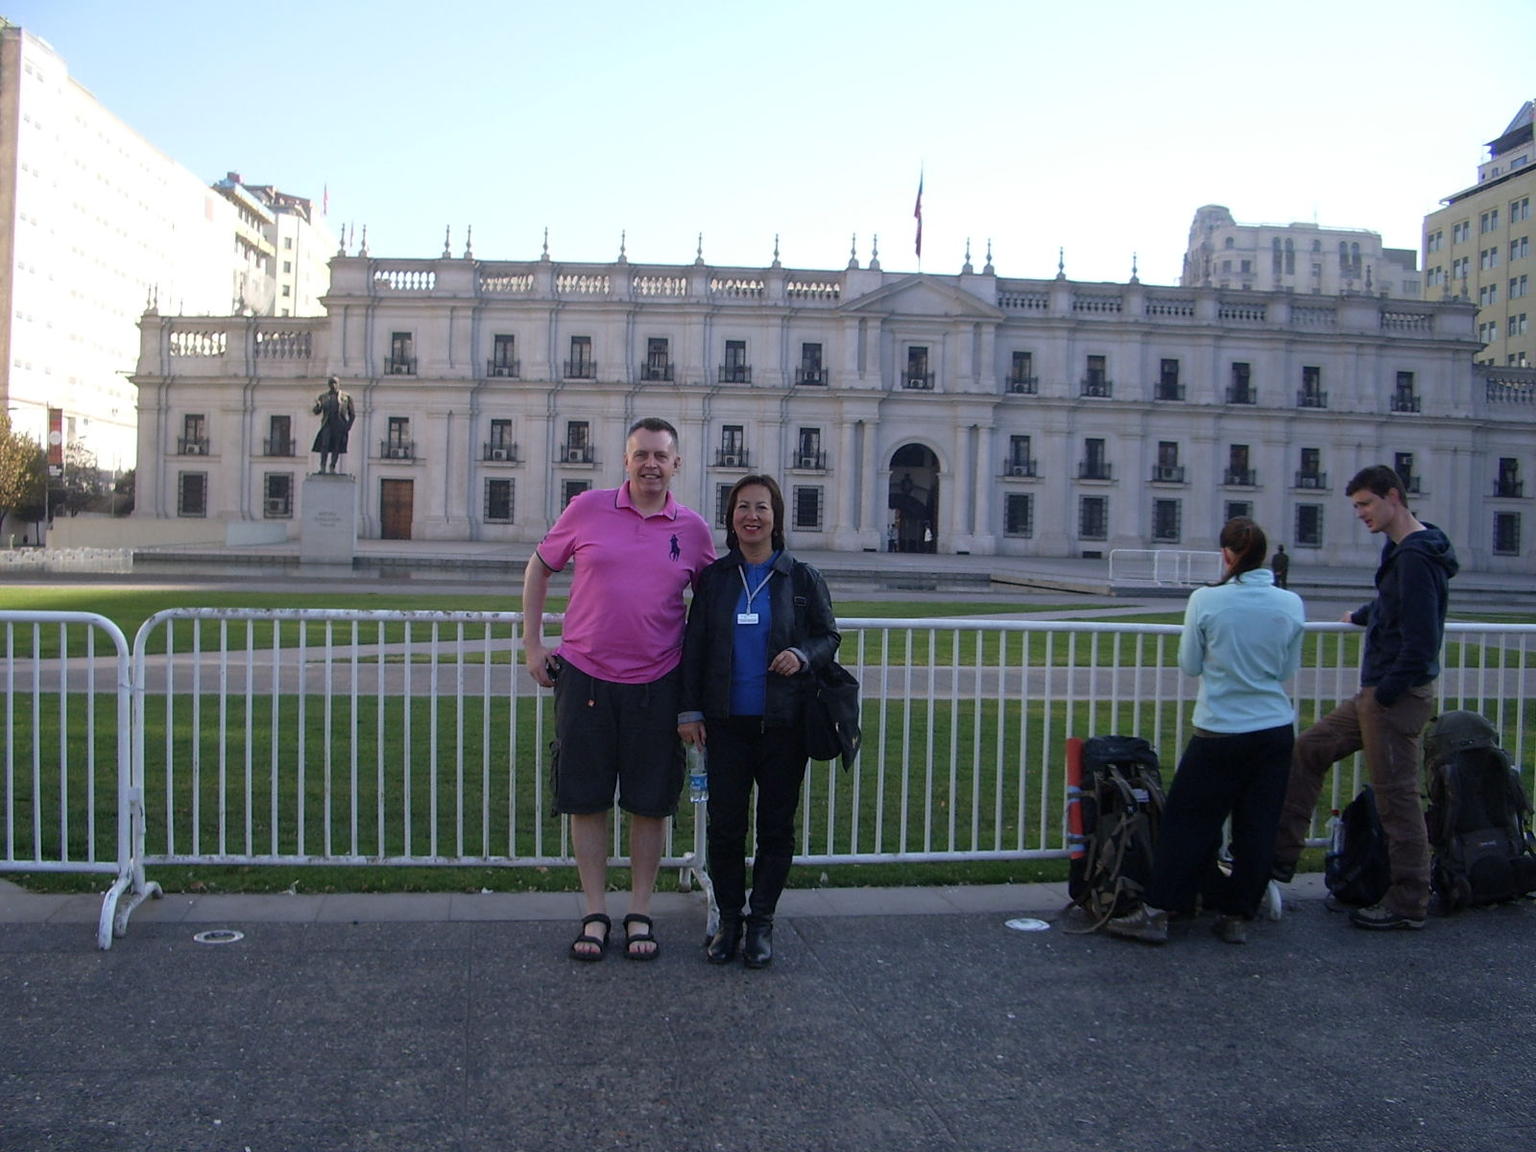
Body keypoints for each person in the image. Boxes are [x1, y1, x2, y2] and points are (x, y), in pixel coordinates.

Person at [522, 418, 716, 961]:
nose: (651, 464)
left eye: (661, 455)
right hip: (584, 676)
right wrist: (534, 645)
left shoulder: (694, 530)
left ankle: (639, 912)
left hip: (658, 682)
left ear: (677, 464)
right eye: (641, 455)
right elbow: (539, 569)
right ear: (625, 461)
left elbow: (710, 611)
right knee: (586, 798)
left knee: (650, 803)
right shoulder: (586, 509)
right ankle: (593, 911)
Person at [1271, 465, 1458, 930]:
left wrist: (1387, 694)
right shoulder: (1409, 549)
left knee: (1397, 800)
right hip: (1378, 694)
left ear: (1393, 496)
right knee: (1308, 749)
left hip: (1393, 696)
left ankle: (1408, 902)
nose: (1360, 514)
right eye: (1356, 506)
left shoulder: (1415, 556)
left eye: (1366, 504)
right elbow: (1399, 605)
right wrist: (1363, 614)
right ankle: (1277, 860)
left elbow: (1422, 639)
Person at [1108, 517, 1305, 946]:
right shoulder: (1291, 604)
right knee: (1257, 827)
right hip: (1274, 729)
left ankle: (1159, 910)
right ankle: (1237, 916)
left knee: (1187, 823)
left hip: (1221, 728)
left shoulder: (1206, 600)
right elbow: (1287, 670)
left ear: (1227, 556)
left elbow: (1191, 665)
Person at [678, 474, 840, 968]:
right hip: (725, 724)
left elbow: (828, 637)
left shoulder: (802, 577)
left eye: (761, 508)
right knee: (726, 828)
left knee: (776, 828)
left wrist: (802, 653)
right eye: (742, 507)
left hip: (783, 725)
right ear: (730, 519)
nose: (752, 516)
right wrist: (689, 710)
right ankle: (729, 920)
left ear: (776, 518)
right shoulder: (716, 578)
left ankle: (762, 922)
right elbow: (695, 648)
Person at [311, 376, 356, 474]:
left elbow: (352, 414)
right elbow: (316, 411)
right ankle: (322, 467)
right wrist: (318, 406)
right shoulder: (323, 397)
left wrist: (348, 427)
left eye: (335, 383)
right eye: (331, 383)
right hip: (327, 424)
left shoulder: (346, 397)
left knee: (336, 447)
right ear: (328, 384)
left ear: (339, 384)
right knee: (324, 445)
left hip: (339, 425)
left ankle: (332, 466)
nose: (333, 385)